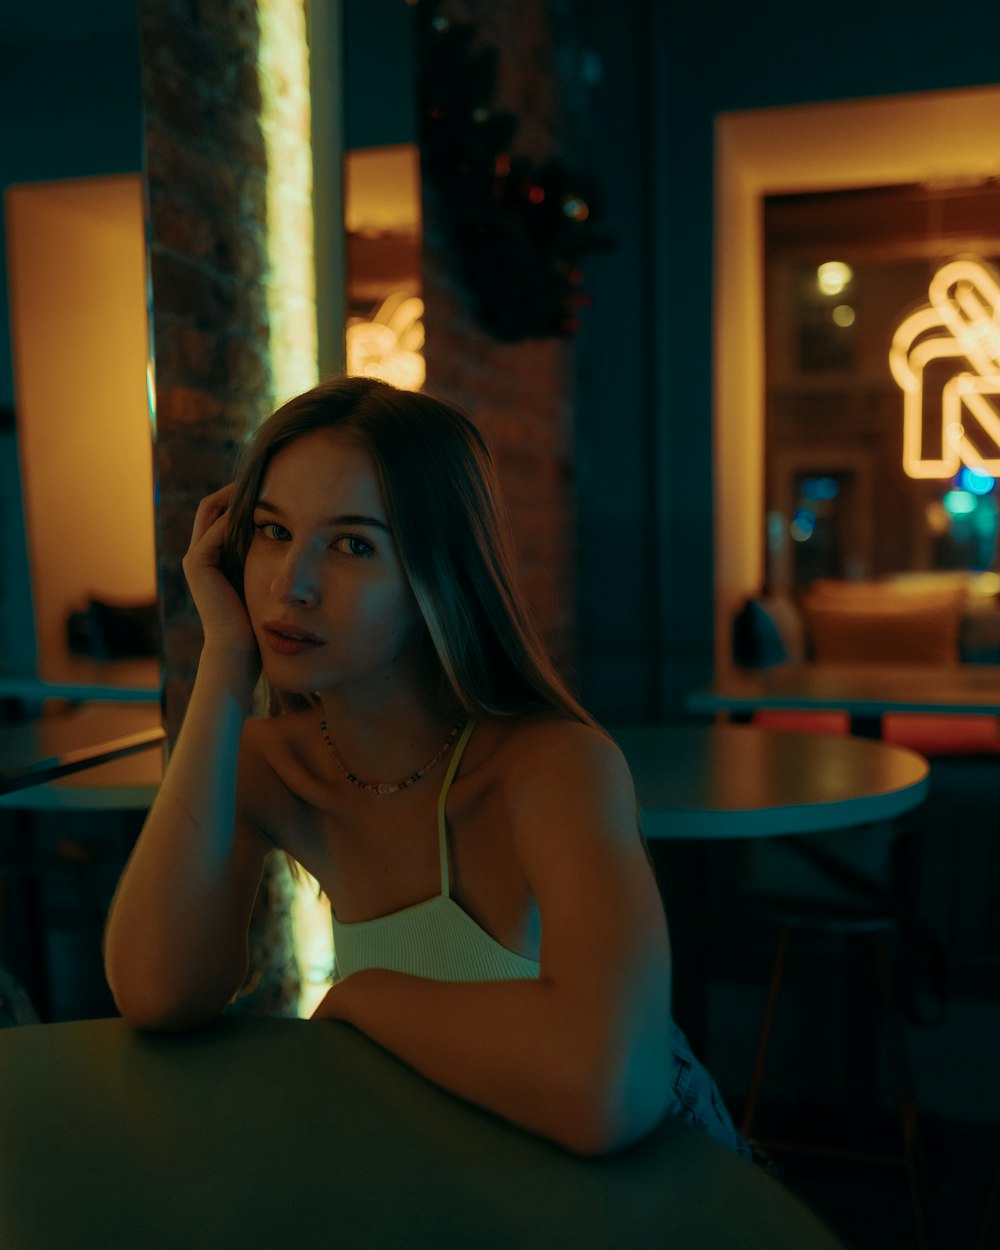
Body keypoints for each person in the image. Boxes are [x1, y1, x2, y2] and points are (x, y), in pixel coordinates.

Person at [103, 376, 747, 1159]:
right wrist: (223, 663)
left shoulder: (551, 766)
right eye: (272, 532)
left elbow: (610, 1088)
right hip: (447, 1160)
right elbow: (157, 989)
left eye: (352, 545)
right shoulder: (273, 766)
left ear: (438, 577)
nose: (289, 585)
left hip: (656, 1184)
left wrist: (365, 995)